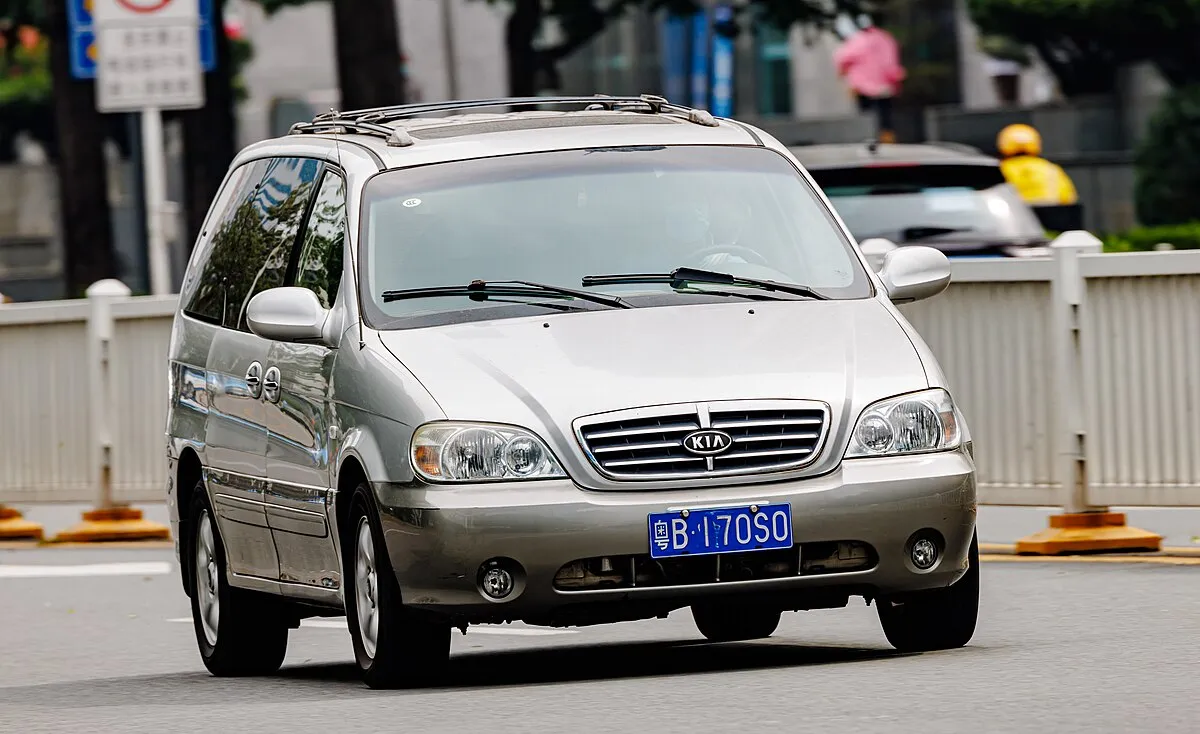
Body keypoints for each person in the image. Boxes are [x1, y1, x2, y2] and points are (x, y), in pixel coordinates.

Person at [833, 14, 906, 144]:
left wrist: (843, 74)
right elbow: (891, 63)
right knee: (885, 115)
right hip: (885, 87)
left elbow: (842, 59)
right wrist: (896, 80)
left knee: (865, 114)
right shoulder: (885, 38)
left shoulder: (857, 41)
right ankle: (887, 140)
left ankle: (868, 139)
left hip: (863, 87)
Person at [996, 124, 1078, 207]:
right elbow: (1069, 200)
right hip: (1049, 218)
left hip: (1013, 219)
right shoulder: (1051, 169)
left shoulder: (999, 170)